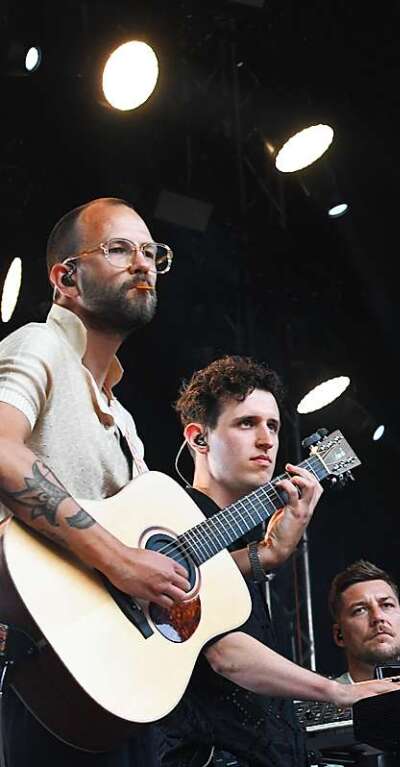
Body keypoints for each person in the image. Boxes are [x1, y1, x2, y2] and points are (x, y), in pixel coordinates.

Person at [0, 197, 188, 766]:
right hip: (42, 665)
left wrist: (259, 559)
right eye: (119, 248)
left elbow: (145, 561)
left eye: (152, 252)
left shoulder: (125, 421)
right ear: (67, 278)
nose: (143, 263)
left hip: (111, 676)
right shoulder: (40, 344)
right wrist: (119, 560)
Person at [155, 356, 400, 767]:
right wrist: (341, 692)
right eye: (247, 423)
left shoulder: (227, 547)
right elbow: (225, 653)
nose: (267, 440)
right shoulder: (171, 522)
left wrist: (267, 554)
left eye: (273, 425)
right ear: (199, 438)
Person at [327, 560, 400, 683]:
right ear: (339, 635)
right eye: (360, 610)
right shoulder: (324, 701)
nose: (378, 617)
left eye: (387, 605)